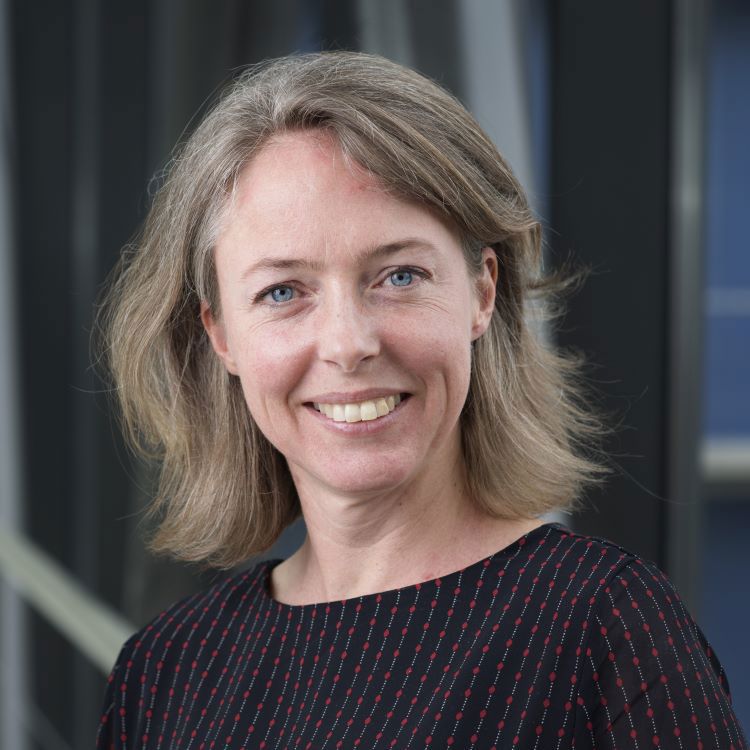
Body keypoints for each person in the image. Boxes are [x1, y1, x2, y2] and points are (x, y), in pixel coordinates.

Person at [95, 51, 746, 749]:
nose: (348, 344)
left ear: (482, 292)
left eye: (399, 276)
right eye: (282, 291)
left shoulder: (603, 629)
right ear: (220, 333)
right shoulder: (164, 672)